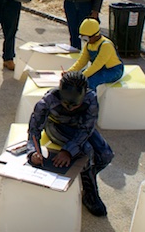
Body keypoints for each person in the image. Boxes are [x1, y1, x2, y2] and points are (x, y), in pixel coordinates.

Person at [27, 71, 114, 216]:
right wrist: (32, 152)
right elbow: (34, 130)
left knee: (106, 155)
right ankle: (91, 193)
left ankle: (86, 176)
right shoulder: (47, 101)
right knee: (86, 152)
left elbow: (87, 127)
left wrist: (68, 150)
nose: (70, 108)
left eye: (75, 105)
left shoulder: (91, 98)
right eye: (66, 104)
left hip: (80, 128)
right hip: (56, 126)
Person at [67, 18, 123, 91]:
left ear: (95, 35)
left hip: (113, 70)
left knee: (90, 82)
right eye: (82, 37)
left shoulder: (106, 45)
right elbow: (82, 61)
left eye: (86, 38)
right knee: (75, 77)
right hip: (99, 69)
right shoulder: (88, 44)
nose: (85, 41)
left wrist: (82, 76)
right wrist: (70, 72)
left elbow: (97, 65)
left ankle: (91, 101)